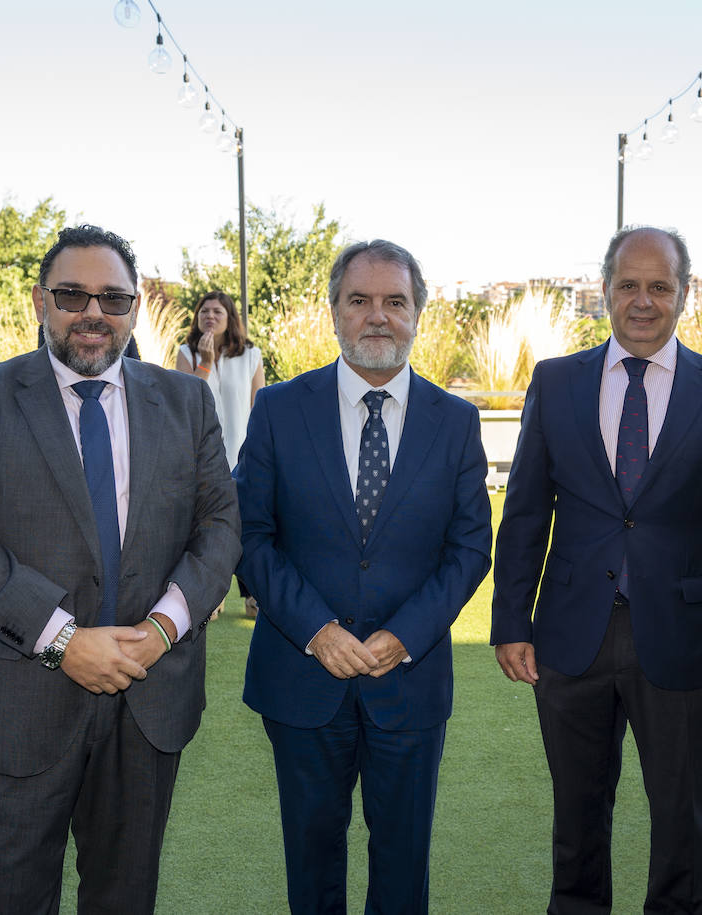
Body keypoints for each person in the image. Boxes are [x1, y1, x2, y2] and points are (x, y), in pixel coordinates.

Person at [0, 225, 240, 913]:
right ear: (41, 302)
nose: (94, 313)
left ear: (134, 308)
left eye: (113, 298)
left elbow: (220, 526)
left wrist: (161, 629)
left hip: (149, 703)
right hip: (14, 706)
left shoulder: (186, 402)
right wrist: (64, 640)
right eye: (72, 295)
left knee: (125, 899)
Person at [491, 225, 702, 913]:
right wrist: (510, 621)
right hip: (570, 634)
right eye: (628, 285)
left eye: (659, 286)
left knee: (681, 817)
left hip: (684, 637)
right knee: (576, 814)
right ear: (605, 289)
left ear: (684, 293)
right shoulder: (556, 381)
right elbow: (525, 511)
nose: (643, 301)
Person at [235, 239, 491, 913]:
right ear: (334, 312)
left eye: (394, 301)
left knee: (404, 868)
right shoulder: (279, 409)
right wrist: (316, 630)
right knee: (311, 863)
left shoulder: (457, 421)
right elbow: (250, 535)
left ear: (417, 314)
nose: (378, 315)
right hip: (302, 680)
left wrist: (405, 635)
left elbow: (470, 548)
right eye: (360, 300)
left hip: (410, 683)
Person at [177, 290, 265, 618]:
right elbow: (184, 403)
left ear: (230, 319)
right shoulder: (186, 352)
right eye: (204, 311)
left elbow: (260, 406)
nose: (210, 317)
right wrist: (205, 363)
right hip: (202, 457)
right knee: (207, 528)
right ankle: (211, 596)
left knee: (247, 525)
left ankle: (253, 593)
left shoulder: (251, 355)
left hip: (243, 455)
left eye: (217, 312)